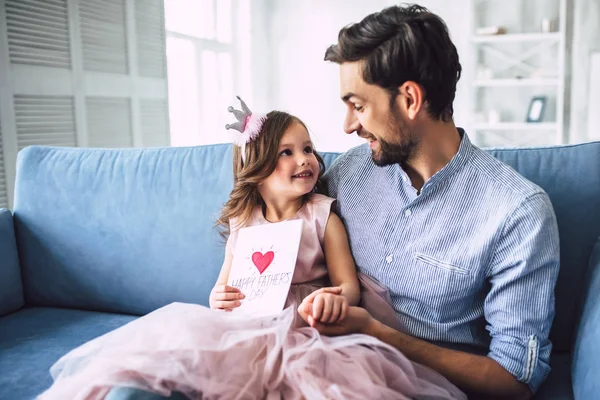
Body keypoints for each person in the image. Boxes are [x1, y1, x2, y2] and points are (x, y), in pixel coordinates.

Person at [37, 98, 466, 400]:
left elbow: (349, 287)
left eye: (308, 149)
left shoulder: (322, 216)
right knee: (167, 366)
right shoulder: (245, 224)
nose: (306, 160)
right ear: (258, 170)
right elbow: (223, 289)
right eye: (287, 152)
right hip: (247, 328)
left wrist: (334, 300)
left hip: (306, 329)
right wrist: (217, 297)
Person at [298, 4, 560, 400]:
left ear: (409, 99)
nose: (348, 125)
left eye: (359, 105)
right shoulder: (345, 176)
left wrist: (375, 332)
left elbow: (515, 381)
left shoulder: (517, 213)